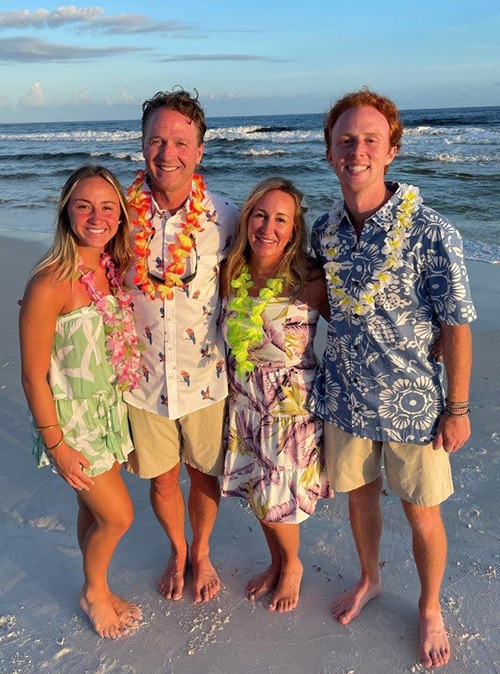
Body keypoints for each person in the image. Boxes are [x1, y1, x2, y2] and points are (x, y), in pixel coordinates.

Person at [310, 89, 476, 668]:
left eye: (370, 141)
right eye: (346, 141)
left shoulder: (431, 231)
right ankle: (370, 578)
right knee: (359, 499)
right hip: (347, 398)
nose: (357, 151)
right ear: (330, 153)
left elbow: (456, 324)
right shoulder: (324, 232)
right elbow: (335, 303)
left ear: (392, 151)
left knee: (421, 511)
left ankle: (430, 606)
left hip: (414, 405)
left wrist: (457, 407)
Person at [124, 88, 239, 604]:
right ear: (142, 144)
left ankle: (204, 551)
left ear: (199, 151)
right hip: (142, 380)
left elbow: (274, 268)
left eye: (179, 142)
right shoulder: (119, 217)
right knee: (164, 479)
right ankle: (177, 550)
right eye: (156, 140)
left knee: (203, 474)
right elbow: (79, 262)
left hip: (207, 377)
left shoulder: (228, 217)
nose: (167, 153)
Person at [19, 165, 142, 639]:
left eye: (108, 206)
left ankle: (100, 585)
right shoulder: (49, 282)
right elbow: (32, 375)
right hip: (72, 422)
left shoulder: (110, 269)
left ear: (120, 216)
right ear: (66, 211)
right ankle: (93, 593)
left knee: (93, 512)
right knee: (119, 516)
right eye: (84, 205)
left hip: (107, 415)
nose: (97, 216)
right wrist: (57, 444)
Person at [220, 177, 333, 613]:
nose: (268, 227)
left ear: (293, 229)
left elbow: (359, 321)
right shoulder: (230, 272)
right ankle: (276, 561)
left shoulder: (311, 278)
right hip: (244, 402)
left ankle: (292, 567)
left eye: (280, 219)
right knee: (257, 492)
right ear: (247, 218)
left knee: (277, 500)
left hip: (290, 408)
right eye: (260, 215)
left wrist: (432, 336)